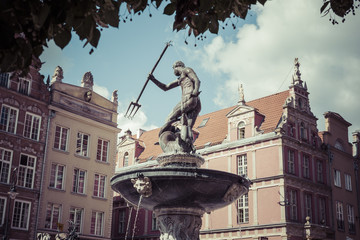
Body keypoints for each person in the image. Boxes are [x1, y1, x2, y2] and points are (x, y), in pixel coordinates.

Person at [149, 61, 201, 149]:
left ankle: (164, 137)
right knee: (187, 127)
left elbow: (197, 80)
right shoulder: (181, 78)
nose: (173, 71)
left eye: (173, 68)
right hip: (196, 103)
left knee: (170, 117)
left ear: (177, 66)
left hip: (188, 97)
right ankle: (185, 143)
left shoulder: (186, 70)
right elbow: (165, 87)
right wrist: (153, 79)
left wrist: (195, 91)